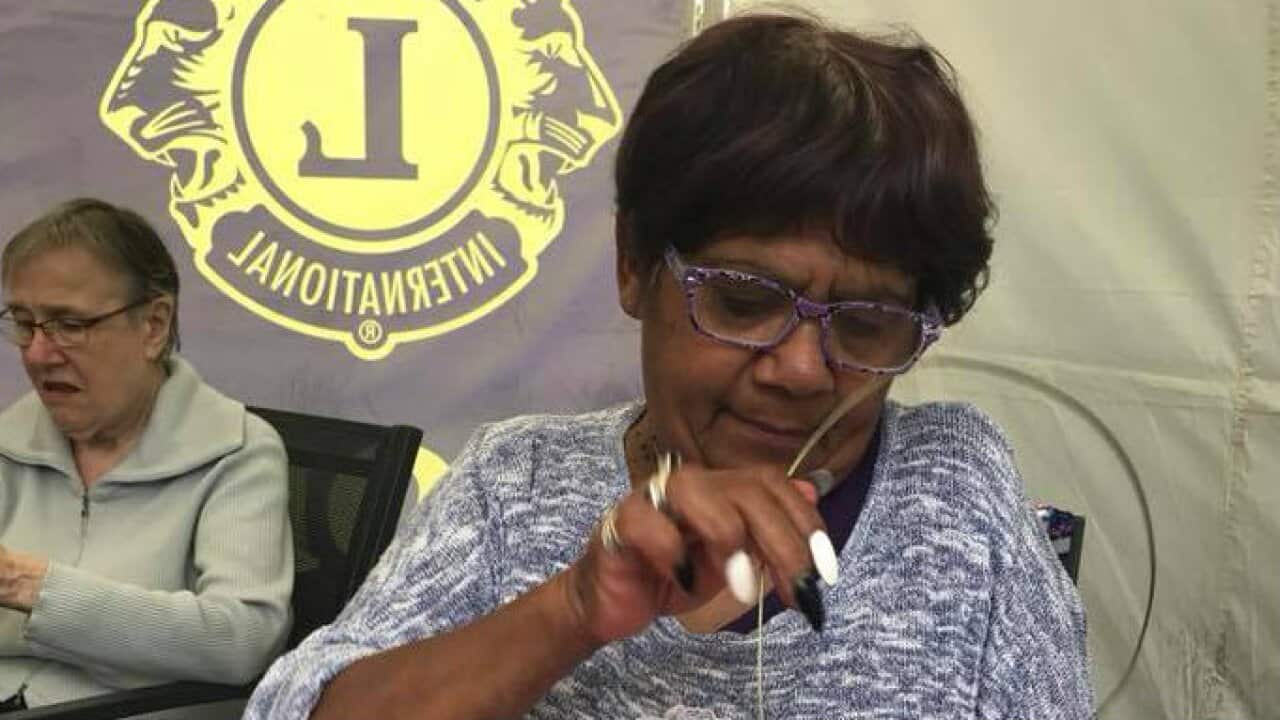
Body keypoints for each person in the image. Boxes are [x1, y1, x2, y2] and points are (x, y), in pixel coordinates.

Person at [247, 12, 1093, 720]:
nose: (802, 370)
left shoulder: (952, 486)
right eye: (742, 299)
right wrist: (573, 609)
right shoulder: (518, 485)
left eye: (867, 324)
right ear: (633, 266)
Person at [0, 198, 293, 709]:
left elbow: (241, 640)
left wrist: (30, 586)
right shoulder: (9, 441)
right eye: (24, 323)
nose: (37, 353)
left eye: (69, 325)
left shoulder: (237, 453)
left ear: (154, 326)